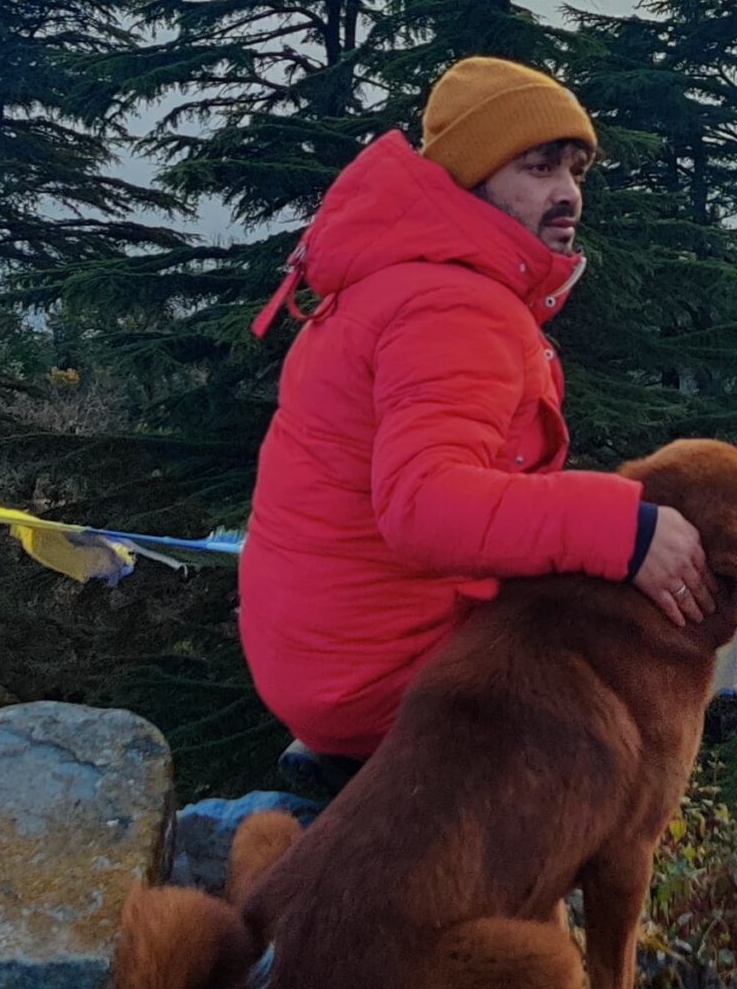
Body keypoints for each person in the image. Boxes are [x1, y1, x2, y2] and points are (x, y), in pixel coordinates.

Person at [236, 57, 710, 816]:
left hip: (326, 661)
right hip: (383, 675)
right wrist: (626, 526)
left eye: (576, 168)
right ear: (473, 176)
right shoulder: (452, 306)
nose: (567, 192)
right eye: (538, 166)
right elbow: (426, 505)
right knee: (619, 664)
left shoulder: (403, 280)